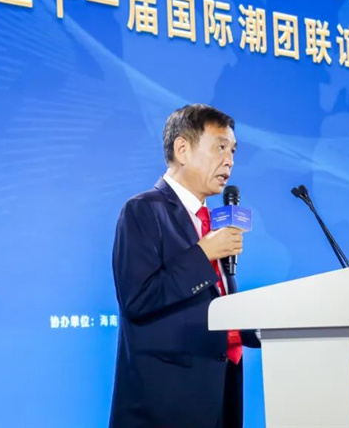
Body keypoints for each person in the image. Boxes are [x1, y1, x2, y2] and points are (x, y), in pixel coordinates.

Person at [110, 104, 260, 428]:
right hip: (165, 406)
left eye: (233, 151)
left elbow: (212, 308)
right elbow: (138, 300)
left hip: (220, 396)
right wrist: (203, 254)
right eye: (220, 147)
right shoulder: (142, 210)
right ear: (182, 149)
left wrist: (270, 327)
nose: (230, 160)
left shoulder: (212, 221)